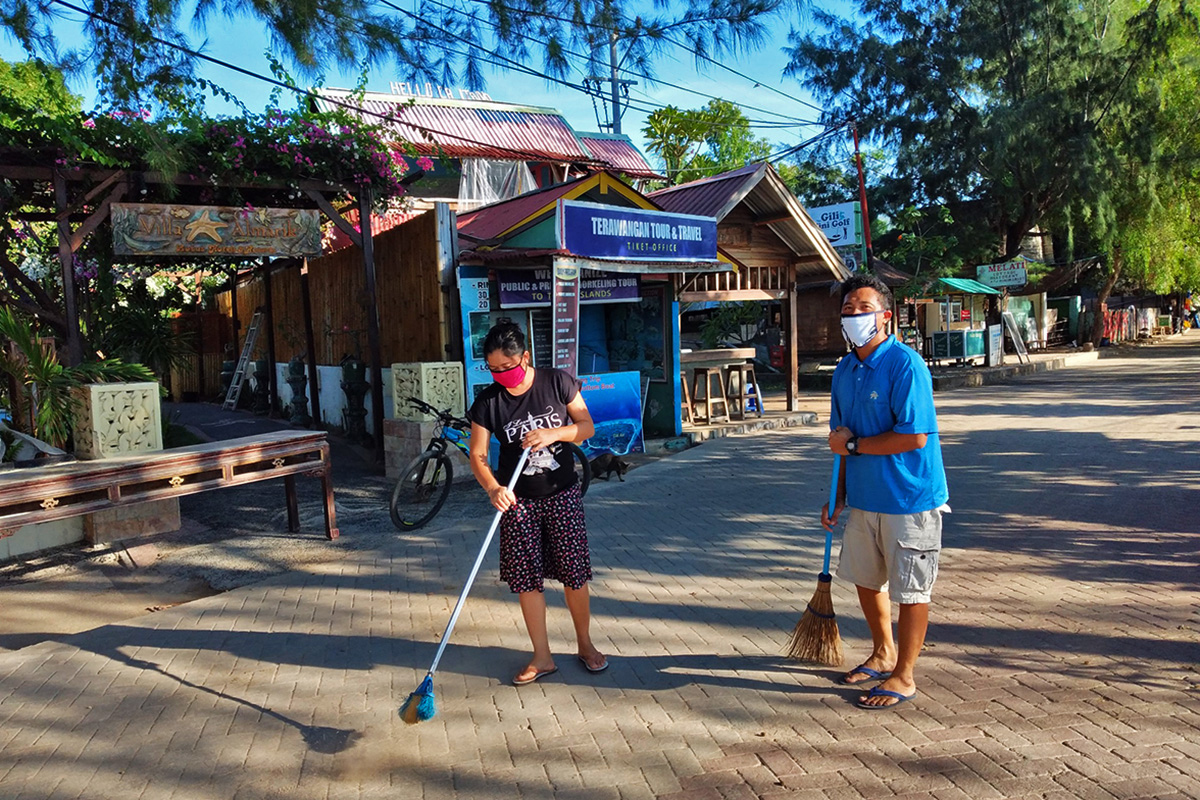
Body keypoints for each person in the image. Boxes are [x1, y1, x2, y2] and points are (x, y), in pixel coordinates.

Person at [822, 274, 950, 710]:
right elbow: (840, 437)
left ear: (885, 316)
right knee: (865, 579)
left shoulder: (905, 365)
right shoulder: (845, 369)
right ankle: (883, 651)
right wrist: (837, 495)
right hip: (863, 498)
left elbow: (914, 436)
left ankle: (905, 675)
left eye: (863, 308)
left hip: (908, 499)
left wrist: (853, 446)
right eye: (847, 310)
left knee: (911, 590)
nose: (854, 316)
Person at [467, 319, 608, 686]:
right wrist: (493, 488)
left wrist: (554, 433)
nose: (501, 375)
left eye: (507, 368)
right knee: (526, 581)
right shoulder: (488, 402)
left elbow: (586, 426)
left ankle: (585, 645)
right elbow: (478, 455)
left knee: (574, 574)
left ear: (525, 357)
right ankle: (542, 656)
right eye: (493, 369)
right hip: (518, 503)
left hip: (561, 494)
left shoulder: (557, 381)